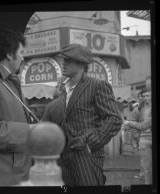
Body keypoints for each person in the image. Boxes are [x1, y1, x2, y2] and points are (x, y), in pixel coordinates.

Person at [49, 44, 123, 186]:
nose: (63, 64)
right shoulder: (64, 89)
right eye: (63, 60)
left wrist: (90, 144)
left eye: (68, 60)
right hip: (65, 159)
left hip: (87, 158)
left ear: (81, 63)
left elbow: (114, 119)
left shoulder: (97, 85)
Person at [0, 28, 37, 186]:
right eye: (21, 52)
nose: (23, 57)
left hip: (17, 173)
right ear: (9, 54)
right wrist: (30, 130)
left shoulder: (8, 80)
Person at [123, 88, 152, 184]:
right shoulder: (139, 109)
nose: (145, 98)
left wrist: (129, 123)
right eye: (143, 96)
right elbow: (135, 124)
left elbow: (139, 125)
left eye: (147, 96)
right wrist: (136, 138)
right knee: (147, 167)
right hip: (144, 139)